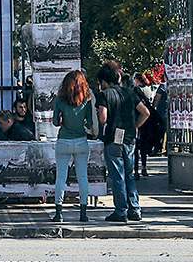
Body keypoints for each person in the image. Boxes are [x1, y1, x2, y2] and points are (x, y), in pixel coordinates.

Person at [96, 61, 150, 223]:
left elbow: (103, 118)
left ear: (104, 81)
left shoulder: (104, 95)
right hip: (130, 137)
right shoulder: (129, 93)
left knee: (117, 175)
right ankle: (135, 208)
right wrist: (135, 126)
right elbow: (145, 112)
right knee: (129, 174)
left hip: (113, 137)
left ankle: (121, 211)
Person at [51, 69, 95, 223]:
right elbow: (89, 123)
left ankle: (58, 213)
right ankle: (83, 213)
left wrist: (63, 120)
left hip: (63, 140)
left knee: (61, 177)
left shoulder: (60, 100)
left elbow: (55, 122)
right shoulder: (86, 100)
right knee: (83, 177)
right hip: (81, 141)